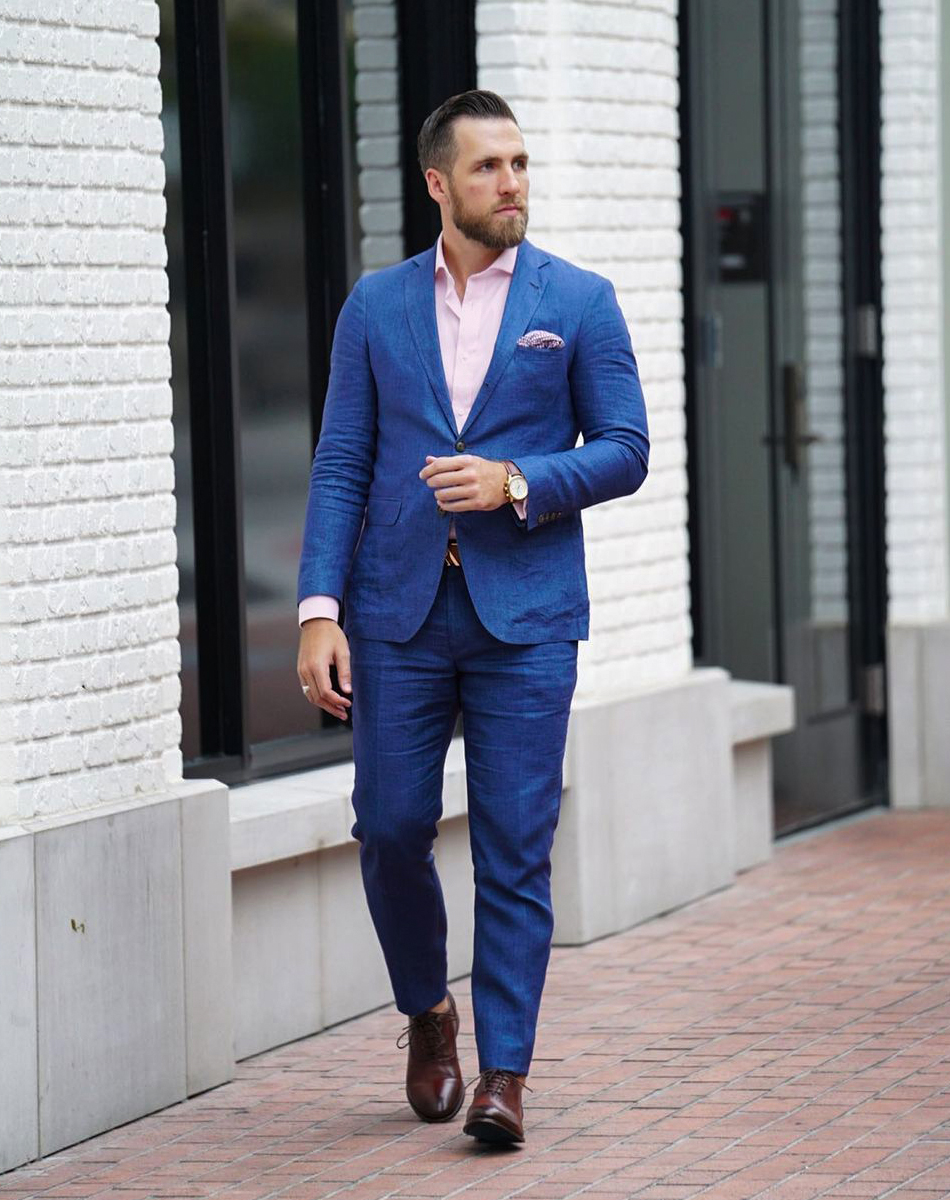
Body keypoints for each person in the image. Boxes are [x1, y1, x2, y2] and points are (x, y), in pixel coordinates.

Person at [296, 89, 648, 1145]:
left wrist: (516, 481)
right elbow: (342, 462)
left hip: (526, 618)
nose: (513, 185)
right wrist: (320, 609)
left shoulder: (576, 301)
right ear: (438, 183)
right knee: (390, 826)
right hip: (396, 615)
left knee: (514, 846)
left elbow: (624, 447)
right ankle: (425, 1012)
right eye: (490, 167)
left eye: (522, 164)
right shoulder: (375, 305)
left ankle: (504, 1074)